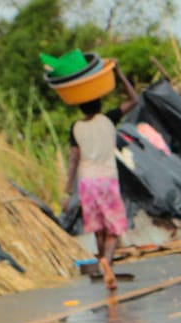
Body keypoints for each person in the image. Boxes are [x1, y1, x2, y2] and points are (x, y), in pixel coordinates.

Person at [66, 96, 126, 295]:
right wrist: (117, 72)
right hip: (107, 179)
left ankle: (103, 263)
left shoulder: (76, 127)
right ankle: (106, 261)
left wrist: (68, 187)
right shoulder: (109, 119)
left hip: (86, 181)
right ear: (100, 104)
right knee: (115, 228)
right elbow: (134, 99)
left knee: (98, 229)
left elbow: (73, 158)